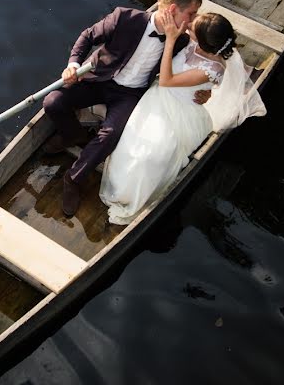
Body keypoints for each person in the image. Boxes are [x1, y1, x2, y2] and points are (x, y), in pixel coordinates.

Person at [42, 0, 209, 217]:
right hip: (98, 80)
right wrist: (73, 65)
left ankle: (73, 179)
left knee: (110, 134)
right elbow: (87, 37)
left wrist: (204, 90)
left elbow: (191, 70)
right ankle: (73, 135)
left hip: (130, 94)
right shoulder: (124, 17)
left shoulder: (181, 40)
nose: (192, 20)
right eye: (191, 14)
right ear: (173, 10)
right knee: (52, 102)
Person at [99, 11, 265, 225]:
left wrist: (170, 40)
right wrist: (208, 91)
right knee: (131, 142)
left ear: (204, 42)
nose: (187, 26)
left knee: (152, 155)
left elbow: (167, 80)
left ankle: (134, 194)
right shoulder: (194, 42)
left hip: (180, 110)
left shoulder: (213, 68)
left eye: (192, 29)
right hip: (157, 99)